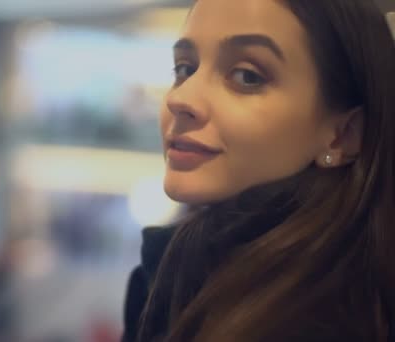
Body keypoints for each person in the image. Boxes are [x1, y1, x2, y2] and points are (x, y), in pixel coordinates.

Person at [122, 0, 395, 341]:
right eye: (184, 69)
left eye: (247, 76)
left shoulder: (338, 320)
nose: (181, 98)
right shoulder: (168, 275)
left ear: (343, 135)